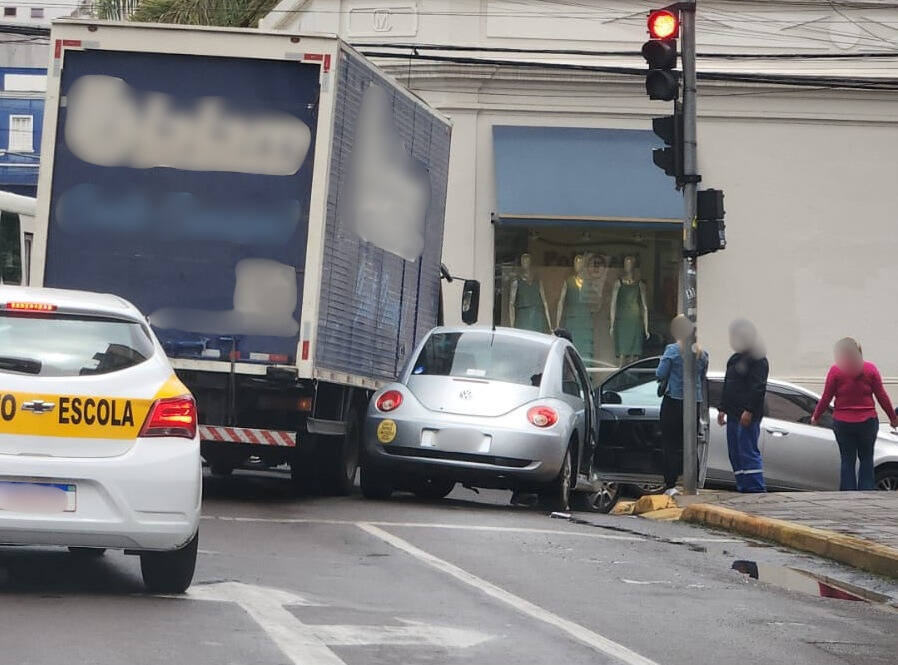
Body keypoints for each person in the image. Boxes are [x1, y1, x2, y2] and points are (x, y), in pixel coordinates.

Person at [811, 338, 898, 491]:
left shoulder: (836, 371)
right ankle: (866, 491)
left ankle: (847, 493)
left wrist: (816, 416)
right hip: (867, 421)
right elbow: (882, 396)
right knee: (866, 459)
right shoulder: (870, 369)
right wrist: (893, 418)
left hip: (843, 422)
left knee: (847, 460)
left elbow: (826, 397)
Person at [656, 315, 708, 496]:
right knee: (690, 443)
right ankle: (692, 485)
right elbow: (702, 377)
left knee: (670, 444)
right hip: (694, 402)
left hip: (674, 401)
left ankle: (671, 486)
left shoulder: (672, 350)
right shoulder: (703, 354)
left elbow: (660, 374)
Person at [717, 319, 769, 493]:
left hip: (746, 415)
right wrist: (722, 408)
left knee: (747, 452)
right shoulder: (734, 359)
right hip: (732, 413)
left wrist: (749, 411)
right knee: (735, 453)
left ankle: (755, 490)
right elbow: (728, 385)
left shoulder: (758, 359)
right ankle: (743, 486)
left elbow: (758, 387)